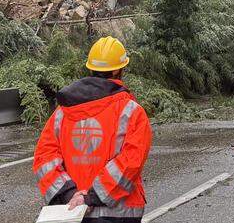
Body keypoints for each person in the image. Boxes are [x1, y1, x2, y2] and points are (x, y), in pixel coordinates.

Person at [33, 36, 152, 223]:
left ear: (90, 68)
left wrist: (69, 195)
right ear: (119, 70)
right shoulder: (131, 111)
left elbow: (44, 159)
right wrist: (90, 197)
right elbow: (131, 162)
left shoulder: (61, 112)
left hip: (71, 212)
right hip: (118, 213)